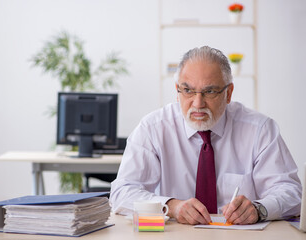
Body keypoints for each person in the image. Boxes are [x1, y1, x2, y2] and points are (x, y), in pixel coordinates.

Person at [109, 46, 302, 225]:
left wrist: (259, 209)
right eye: (188, 90)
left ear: (229, 93)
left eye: (209, 91)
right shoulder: (153, 128)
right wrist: (172, 206)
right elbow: (122, 193)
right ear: (177, 91)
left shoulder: (260, 129)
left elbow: (291, 192)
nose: (197, 103)